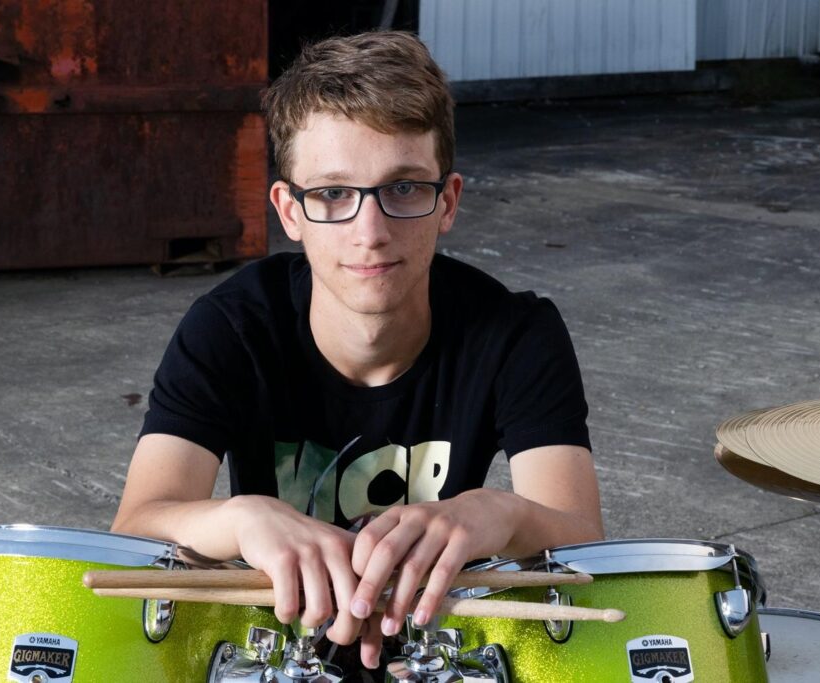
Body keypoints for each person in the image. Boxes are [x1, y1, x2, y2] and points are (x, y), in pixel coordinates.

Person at [111, 30, 603, 671]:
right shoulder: (231, 327)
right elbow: (135, 529)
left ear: (447, 202)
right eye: (333, 193)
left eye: (404, 188)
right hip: (277, 651)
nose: (369, 232)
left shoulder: (516, 333)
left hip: (439, 647)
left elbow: (585, 550)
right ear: (290, 211)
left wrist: (501, 513)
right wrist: (241, 519)